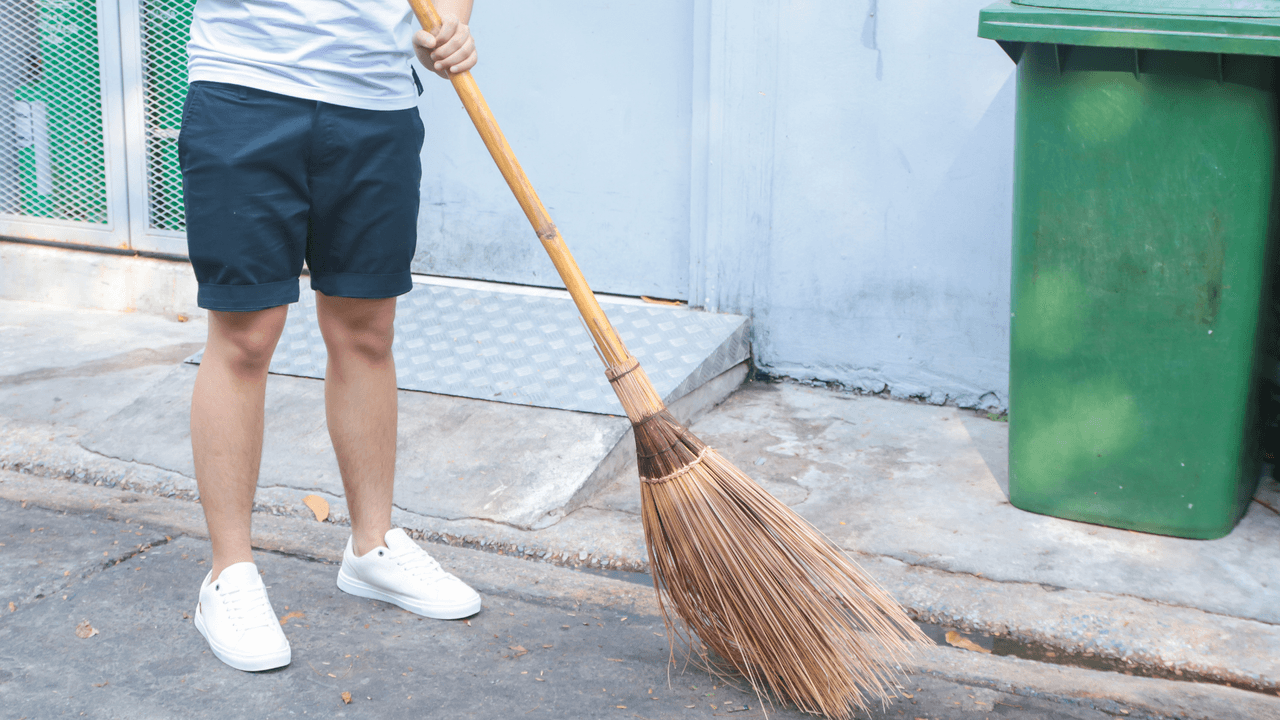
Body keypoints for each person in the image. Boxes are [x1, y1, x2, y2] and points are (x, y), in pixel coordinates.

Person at [178, 0, 479, 672]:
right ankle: (229, 574)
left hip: (376, 102)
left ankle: (372, 547)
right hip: (246, 86)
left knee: (367, 331)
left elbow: (442, 11)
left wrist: (450, 25)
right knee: (245, 336)